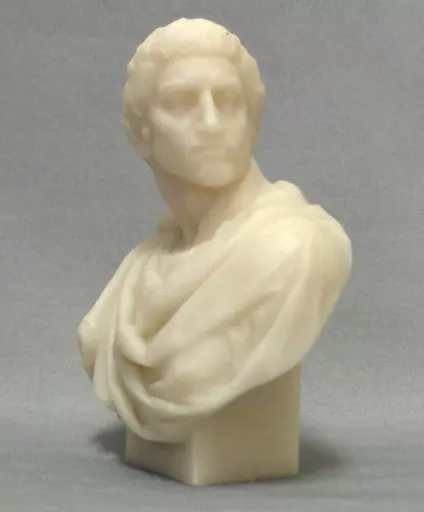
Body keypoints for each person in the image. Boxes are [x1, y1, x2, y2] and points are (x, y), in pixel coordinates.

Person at [78, 18, 352, 443]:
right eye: (180, 102)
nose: (210, 122)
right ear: (142, 132)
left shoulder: (294, 250)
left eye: (228, 101)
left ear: (252, 123)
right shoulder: (139, 276)